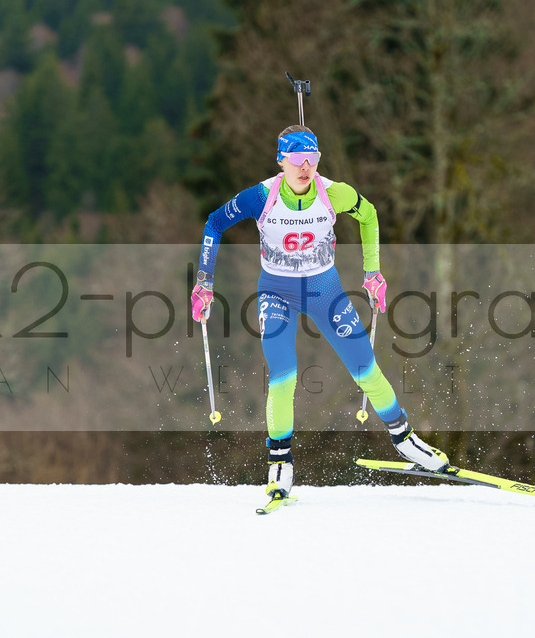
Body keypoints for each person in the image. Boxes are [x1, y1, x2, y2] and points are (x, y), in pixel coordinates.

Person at [190, 125, 447, 500]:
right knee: (283, 376)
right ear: (281, 161)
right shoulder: (261, 196)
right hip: (276, 292)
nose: (306, 166)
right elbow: (214, 221)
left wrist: (372, 272)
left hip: (325, 291)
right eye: (297, 158)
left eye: (312, 158)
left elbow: (370, 215)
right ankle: (280, 464)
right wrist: (204, 281)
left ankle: (405, 440)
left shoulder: (333, 193)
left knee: (366, 369)